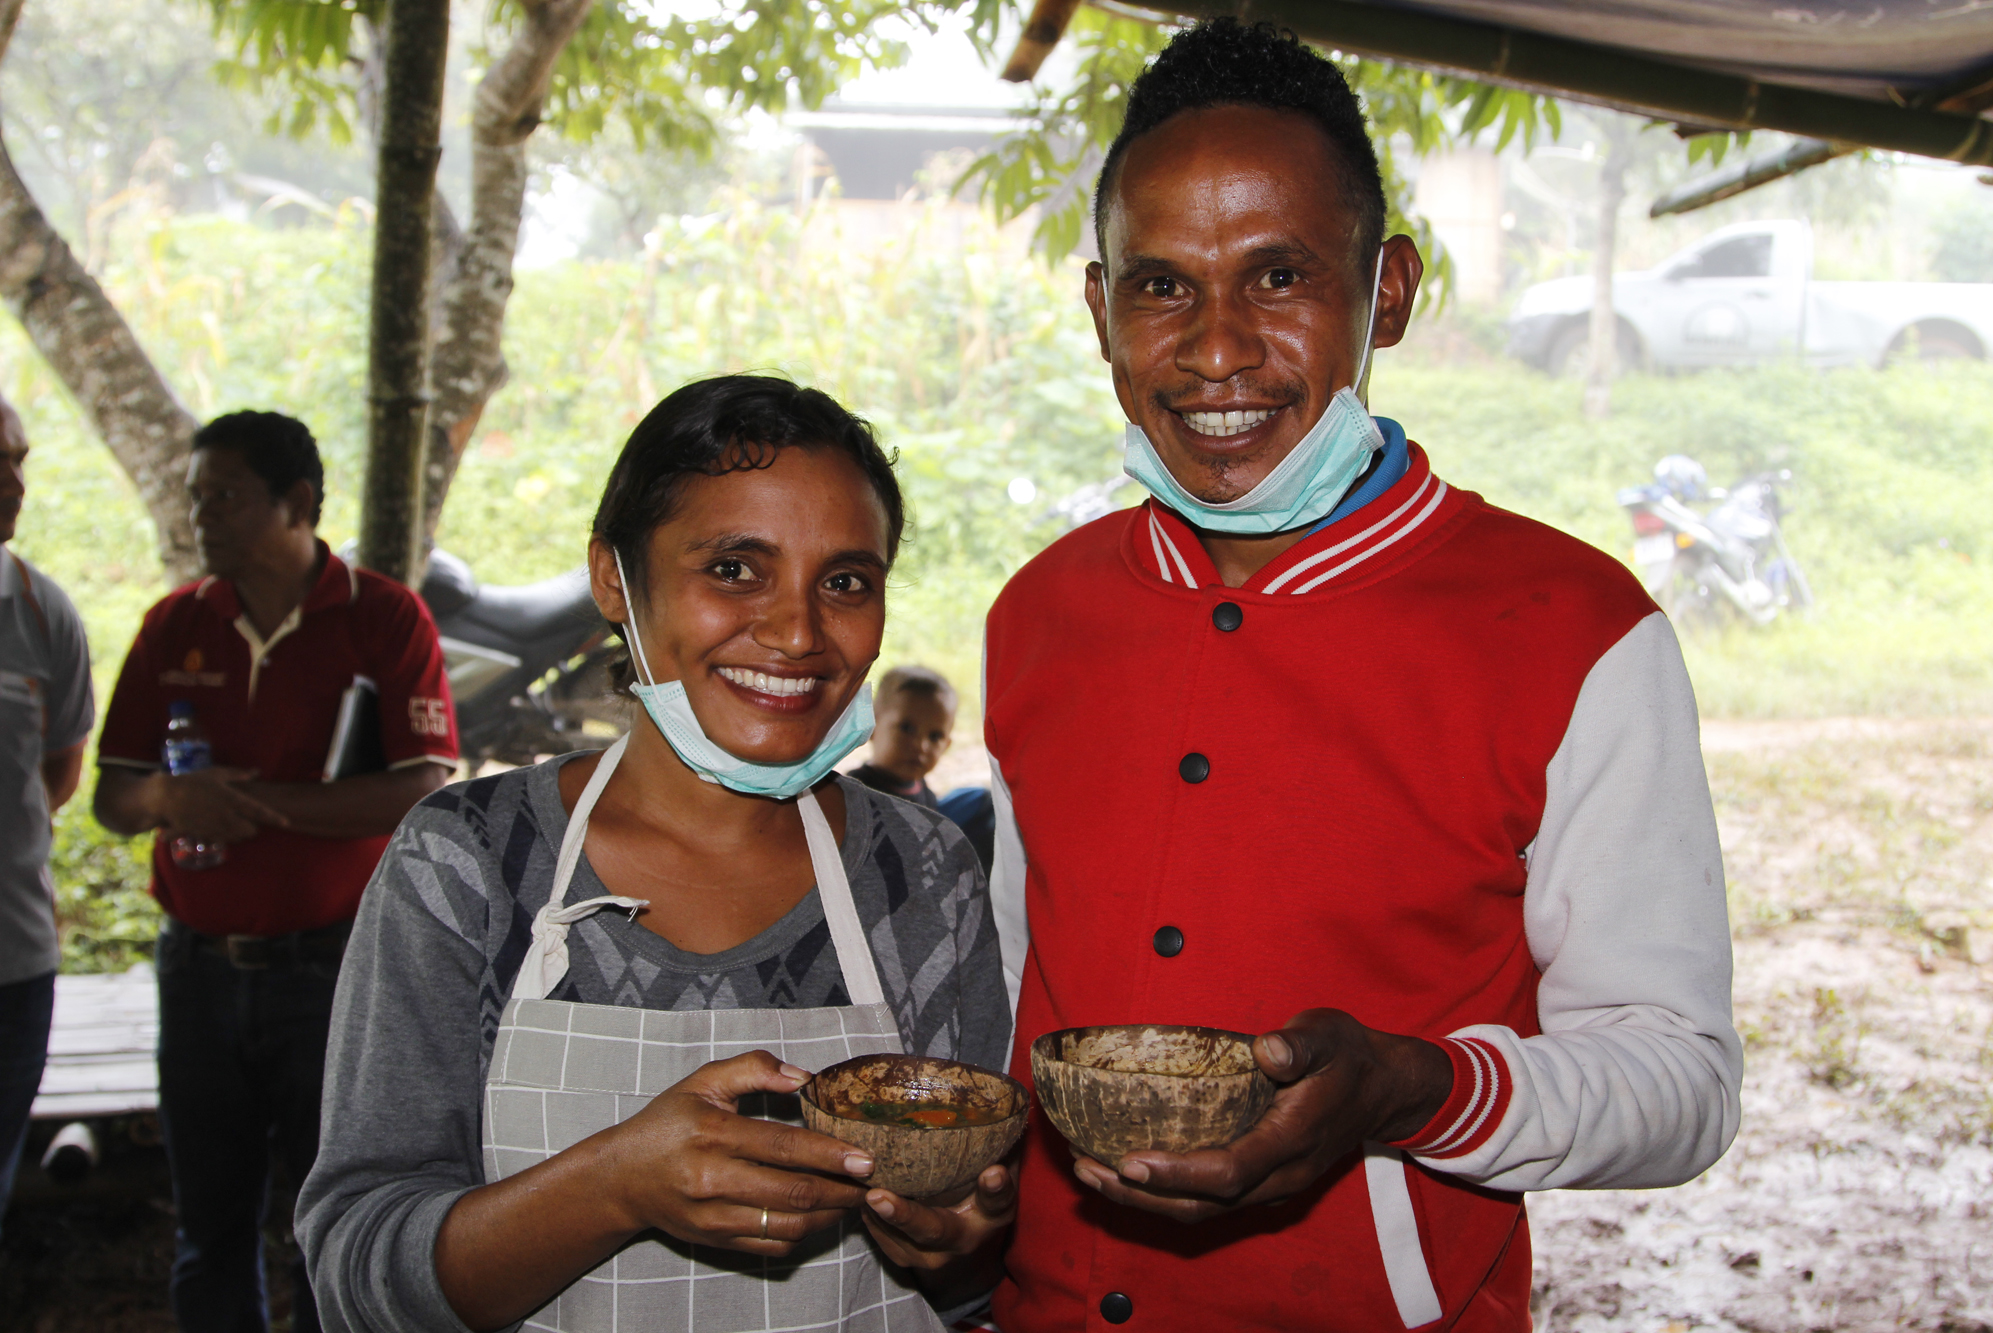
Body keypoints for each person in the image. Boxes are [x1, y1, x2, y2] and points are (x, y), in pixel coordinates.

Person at [981, 21, 1741, 1331]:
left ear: (1385, 290)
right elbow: (1009, 989)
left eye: (1279, 276)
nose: (1217, 350)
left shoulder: (1573, 632)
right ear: (1100, 308)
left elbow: (1680, 1081)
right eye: (1161, 286)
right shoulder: (1039, 616)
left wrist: (1420, 1090)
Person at [298, 375, 1013, 1333]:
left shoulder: (924, 873)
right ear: (613, 580)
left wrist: (968, 1244)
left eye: (845, 580)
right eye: (733, 568)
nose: (799, 632)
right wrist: (611, 1186)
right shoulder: (466, 864)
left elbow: (977, 1269)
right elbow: (357, 1274)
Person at [93, 411, 459, 1333]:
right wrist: (170, 804)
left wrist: (250, 805)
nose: (200, 516)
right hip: (198, 969)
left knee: (329, 1222)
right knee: (209, 1224)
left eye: (223, 496)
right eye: (194, 497)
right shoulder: (175, 622)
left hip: (335, 970)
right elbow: (114, 794)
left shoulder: (381, 617)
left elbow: (419, 785)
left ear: (296, 503)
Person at [0, 397, 93, 1232]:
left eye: (20, 458)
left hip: (13, 964)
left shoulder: (37, 609)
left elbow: (59, 772)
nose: (12, 481)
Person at [848, 665, 957, 810]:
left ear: (946, 746)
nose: (921, 746)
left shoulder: (926, 795)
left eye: (935, 737)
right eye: (907, 729)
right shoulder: (853, 792)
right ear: (871, 726)